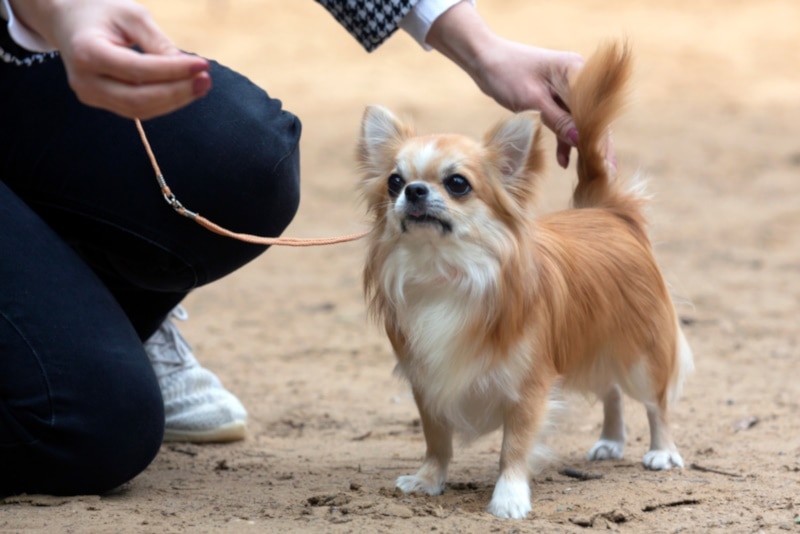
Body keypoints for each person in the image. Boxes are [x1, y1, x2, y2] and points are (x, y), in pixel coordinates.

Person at [0, 0, 584, 497]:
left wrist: (480, 46)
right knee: (91, 423)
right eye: (398, 185)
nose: (414, 195)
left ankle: (113, 311)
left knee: (247, 155)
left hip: (24, 55)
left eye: (455, 185)